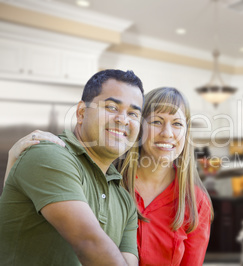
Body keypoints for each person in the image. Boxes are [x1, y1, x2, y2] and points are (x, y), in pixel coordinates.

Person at [3, 87, 213, 265]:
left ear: (186, 133)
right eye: (156, 121)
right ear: (139, 127)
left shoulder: (196, 202)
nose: (167, 133)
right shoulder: (107, 177)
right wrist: (16, 162)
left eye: (177, 124)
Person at [0, 69, 144, 266]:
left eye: (133, 113)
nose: (123, 119)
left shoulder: (125, 201)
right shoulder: (49, 154)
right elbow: (89, 243)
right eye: (111, 107)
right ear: (81, 113)